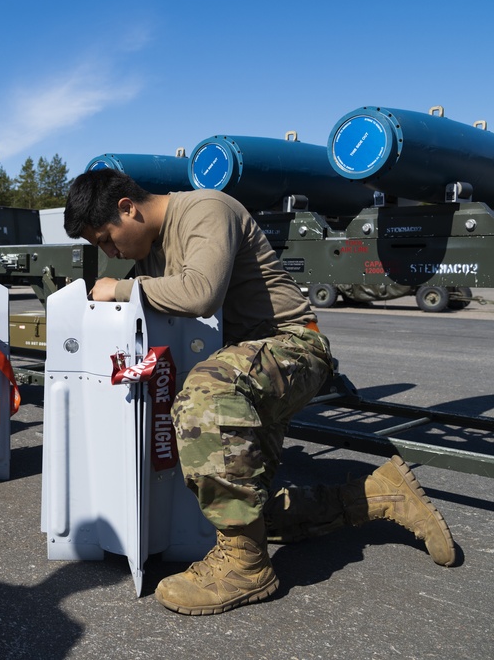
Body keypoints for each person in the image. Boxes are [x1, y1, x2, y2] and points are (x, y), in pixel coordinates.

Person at [63, 168, 455, 615]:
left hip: (293, 346)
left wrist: (121, 288)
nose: (111, 253)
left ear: (127, 208)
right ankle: (378, 495)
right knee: (250, 508)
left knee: (203, 396)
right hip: (246, 366)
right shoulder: (151, 252)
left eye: (107, 239)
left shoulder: (203, 208)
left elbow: (199, 293)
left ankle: (246, 568)